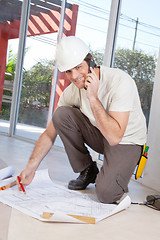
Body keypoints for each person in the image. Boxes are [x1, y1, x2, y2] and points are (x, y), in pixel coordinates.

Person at [18, 36, 147, 203]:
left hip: (126, 141)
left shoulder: (120, 81)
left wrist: (93, 97)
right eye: (69, 71)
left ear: (91, 62)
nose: (75, 76)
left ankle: (116, 175)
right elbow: (50, 134)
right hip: (102, 135)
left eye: (79, 67)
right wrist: (30, 168)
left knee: (106, 194)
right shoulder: (72, 91)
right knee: (61, 115)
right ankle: (88, 170)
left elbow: (115, 137)